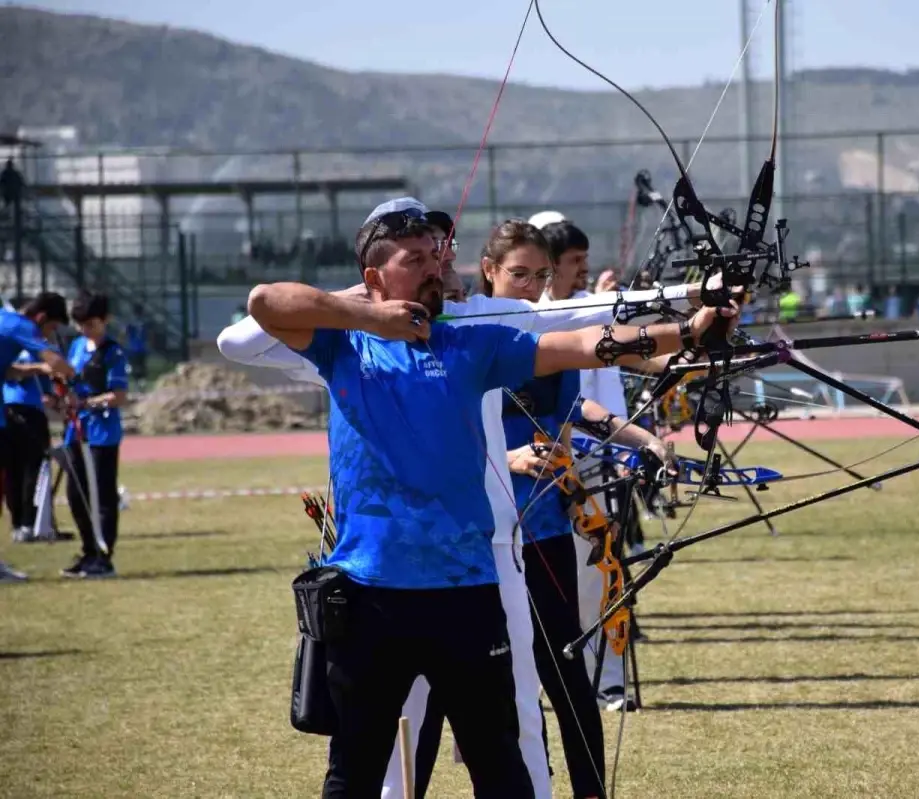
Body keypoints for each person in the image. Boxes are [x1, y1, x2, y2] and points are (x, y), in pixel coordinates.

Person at [227, 199, 725, 798]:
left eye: (436, 256)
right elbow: (265, 302)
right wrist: (370, 316)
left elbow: (581, 341)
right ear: (374, 278)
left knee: (500, 766)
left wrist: (687, 330)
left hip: (466, 592)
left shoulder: (470, 344)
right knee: (354, 771)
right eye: (415, 260)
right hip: (370, 595)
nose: (435, 269)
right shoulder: (342, 345)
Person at [482, 219, 672, 797]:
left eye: (541, 276)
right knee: (491, 687)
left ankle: (591, 789)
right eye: (518, 274)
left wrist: (642, 437)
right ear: (489, 271)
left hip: (543, 530)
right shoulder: (466, 337)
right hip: (479, 539)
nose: (531, 287)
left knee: (566, 673)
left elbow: (577, 409)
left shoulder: (550, 340)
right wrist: (507, 457)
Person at [536, 216, 643, 711]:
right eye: (574, 261)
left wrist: (623, 452)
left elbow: (609, 389)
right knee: (546, 580)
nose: (583, 268)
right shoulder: (528, 316)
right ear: (551, 265)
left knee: (600, 574)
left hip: (594, 464)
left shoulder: (592, 308)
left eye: (584, 259)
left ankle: (609, 682)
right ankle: (545, 676)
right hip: (542, 467)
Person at [0, 292, 74, 582]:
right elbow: (54, 360)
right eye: (51, 327)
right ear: (41, 317)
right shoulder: (22, 326)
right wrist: (73, 377)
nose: (48, 335)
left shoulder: (4, 321)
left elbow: (7, 371)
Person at [60, 293, 129, 579]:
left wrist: (88, 403)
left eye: (91, 324)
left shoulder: (113, 352)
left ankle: (103, 556)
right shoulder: (76, 346)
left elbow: (119, 395)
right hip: (76, 431)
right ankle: (88, 550)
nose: (85, 330)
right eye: (81, 325)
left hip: (102, 434)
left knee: (102, 495)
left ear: (105, 320)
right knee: (75, 494)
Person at [5, 347, 56, 543]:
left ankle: (27, 523)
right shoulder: (27, 346)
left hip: (22, 410)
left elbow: (48, 389)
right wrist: (40, 368)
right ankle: (25, 523)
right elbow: (12, 372)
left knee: (22, 470)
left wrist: (52, 396)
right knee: (26, 469)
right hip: (21, 411)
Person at [124, 305, 149, 389]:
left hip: (133, 348)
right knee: (141, 365)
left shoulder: (131, 322)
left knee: (134, 366)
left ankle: (137, 382)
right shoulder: (144, 322)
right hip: (142, 348)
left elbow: (125, 332)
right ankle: (141, 381)